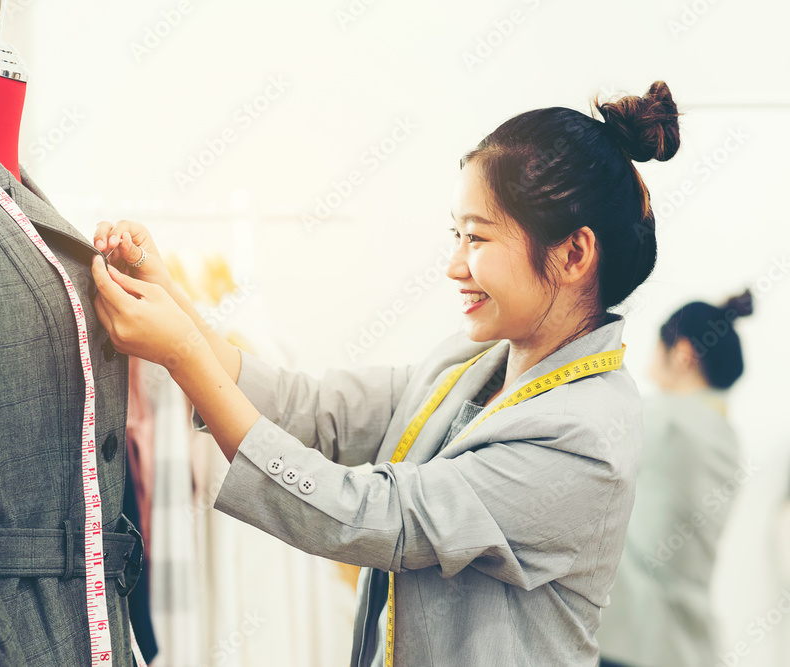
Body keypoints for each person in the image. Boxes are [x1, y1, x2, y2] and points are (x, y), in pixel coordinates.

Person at [89, 80, 680, 666]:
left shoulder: (584, 435)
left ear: (573, 255)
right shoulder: (472, 363)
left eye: (476, 237)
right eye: (456, 235)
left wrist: (184, 355)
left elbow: (373, 518)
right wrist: (175, 302)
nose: (454, 265)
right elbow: (314, 411)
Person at [597, 291, 753, 667]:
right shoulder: (727, 440)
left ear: (682, 354)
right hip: (688, 646)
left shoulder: (660, 420)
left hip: (628, 640)